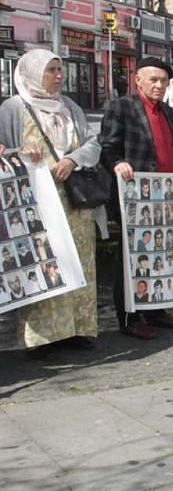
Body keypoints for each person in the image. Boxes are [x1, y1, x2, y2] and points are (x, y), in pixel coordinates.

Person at [0, 49, 103, 355]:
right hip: (37, 201)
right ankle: (43, 337)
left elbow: (92, 144)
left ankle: (78, 328)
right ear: (32, 74)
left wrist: (72, 160)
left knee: (80, 261)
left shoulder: (69, 107)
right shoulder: (13, 108)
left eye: (59, 70)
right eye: (51, 70)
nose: (58, 76)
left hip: (73, 201)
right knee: (45, 262)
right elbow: (3, 151)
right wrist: (19, 151)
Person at [99, 56, 173, 340]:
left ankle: (156, 310)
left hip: (165, 197)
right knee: (131, 260)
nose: (159, 85)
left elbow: (170, 151)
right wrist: (117, 163)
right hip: (135, 197)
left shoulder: (167, 111)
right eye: (153, 80)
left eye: (164, 81)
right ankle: (129, 317)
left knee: (161, 255)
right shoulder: (122, 107)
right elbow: (107, 147)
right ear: (138, 80)